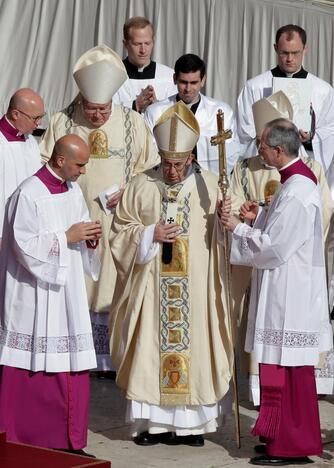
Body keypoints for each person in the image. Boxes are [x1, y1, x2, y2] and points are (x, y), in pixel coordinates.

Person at [109, 101, 233, 447]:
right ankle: (153, 424)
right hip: (152, 285)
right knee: (151, 350)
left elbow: (226, 238)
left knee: (195, 348)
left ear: (191, 159)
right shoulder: (141, 184)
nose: (173, 171)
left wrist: (227, 218)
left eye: (179, 164)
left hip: (195, 289)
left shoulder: (210, 185)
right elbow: (120, 229)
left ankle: (191, 427)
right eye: (167, 164)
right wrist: (149, 234)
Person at [39, 45, 159, 372]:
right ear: (81, 100)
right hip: (73, 220)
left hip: (117, 222)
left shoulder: (133, 122)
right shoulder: (63, 121)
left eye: (103, 109)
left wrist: (131, 191)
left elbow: (151, 170)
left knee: (112, 283)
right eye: (91, 109)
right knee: (77, 284)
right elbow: (43, 165)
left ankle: (109, 359)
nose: (97, 116)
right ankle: (75, 352)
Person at [221, 119, 333, 466]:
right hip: (282, 287)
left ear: (279, 150)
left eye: (263, 146)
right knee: (275, 365)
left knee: (291, 369)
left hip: (292, 292)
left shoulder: (299, 190)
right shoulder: (292, 181)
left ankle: (293, 445)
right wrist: (259, 216)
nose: (259, 151)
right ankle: (276, 435)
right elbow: (279, 228)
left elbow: (278, 247)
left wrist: (238, 228)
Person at [0, 134, 102, 455]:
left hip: (66, 292)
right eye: (80, 164)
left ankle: (69, 441)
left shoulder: (72, 190)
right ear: (60, 161)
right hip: (35, 295)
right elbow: (22, 246)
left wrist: (89, 238)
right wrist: (67, 236)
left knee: (72, 363)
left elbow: (80, 225)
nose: (84, 171)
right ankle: (27, 440)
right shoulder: (27, 194)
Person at [236, 24, 334, 173]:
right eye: (284, 53)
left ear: (305, 49)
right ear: (276, 48)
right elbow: (243, 129)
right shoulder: (255, 86)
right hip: (265, 167)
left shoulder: (322, 90)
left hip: (304, 165)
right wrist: (263, 139)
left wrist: (310, 137)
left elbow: (329, 130)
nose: (289, 59)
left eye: (295, 53)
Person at [144, 53, 239, 175]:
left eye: (194, 82)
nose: (188, 89)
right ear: (174, 79)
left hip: (208, 181)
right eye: (183, 82)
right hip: (167, 181)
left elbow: (232, 153)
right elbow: (149, 153)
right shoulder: (155, 112)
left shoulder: (221, 111)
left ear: (203, 80)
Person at [0, 88, 44, 249]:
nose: (39, 123)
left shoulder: (30, 141)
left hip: (27, 231)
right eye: (35, 118)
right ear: (15, 114)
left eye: (41, 117)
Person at [112, 16, 176, 113]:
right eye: (137, 44)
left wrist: (156, 106)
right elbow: (105, 113)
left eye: (147, 43)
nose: (143, 50)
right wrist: (135, 105)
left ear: (153, 42)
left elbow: (177, 114)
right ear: (125, 44)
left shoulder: (169, 76)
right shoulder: (112, 76)